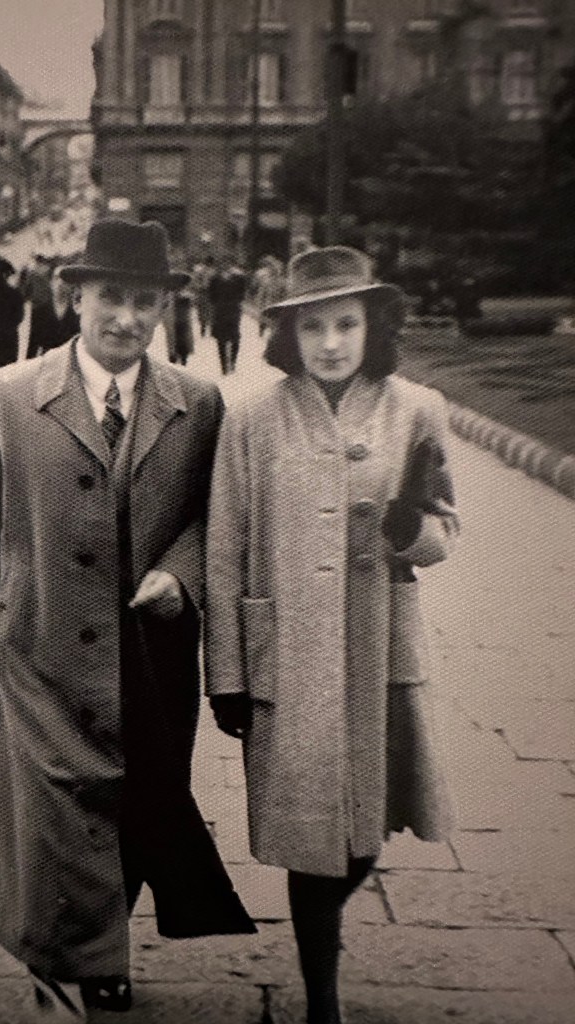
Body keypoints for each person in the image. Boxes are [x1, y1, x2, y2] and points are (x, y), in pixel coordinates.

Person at [0, 219, 255, 1021]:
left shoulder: (199, 404)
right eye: (111, 297)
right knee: (50, 813)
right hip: (35, 649)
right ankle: (82, 959)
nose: (127, 318)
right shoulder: (9, 397)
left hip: (148, 658)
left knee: (135, 803)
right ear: (75, 297)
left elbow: (214, 523)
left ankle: (88, 940)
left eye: (145, 302)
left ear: (164, 310)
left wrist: (180, 575)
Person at [205, 245, 459, 1024]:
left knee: (367, 834)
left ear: (373, 325)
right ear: (287, 333)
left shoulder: (416, 408)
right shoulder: (252, 416)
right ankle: (323, 999)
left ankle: (325, 965)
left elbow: (447, 528)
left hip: (380, 653)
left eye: (346, 324)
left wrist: (408, 529)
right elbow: (223, 546)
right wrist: (228, 675)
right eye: (312, 326)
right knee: (314, 836)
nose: (330, 343)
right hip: (290, 663)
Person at [208, 258, 248, 374]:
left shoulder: (237, 277)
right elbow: (212, 295)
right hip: (227, 310)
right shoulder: (216, 278)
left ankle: (229, 364)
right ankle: (227, 364)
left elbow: (211, 296)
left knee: (230, 338)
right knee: (226, 338)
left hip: (227, 310)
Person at [20, 252, 58, 359]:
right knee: (48, 335)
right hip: (49, 305)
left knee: (34, 338)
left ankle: (30, 361)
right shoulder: (51, 271)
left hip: (37, 307)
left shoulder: (31, 273)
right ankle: (47, 357)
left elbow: (25, 292)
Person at [190, 256, 215, 337]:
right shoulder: (206, 272)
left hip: (206, 293)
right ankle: (204, 328)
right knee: (206, 311)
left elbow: (194, 282)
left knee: (206, 311)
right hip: (205, 293)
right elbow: (195, 282)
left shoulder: (211, 272)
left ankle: (206, 328)